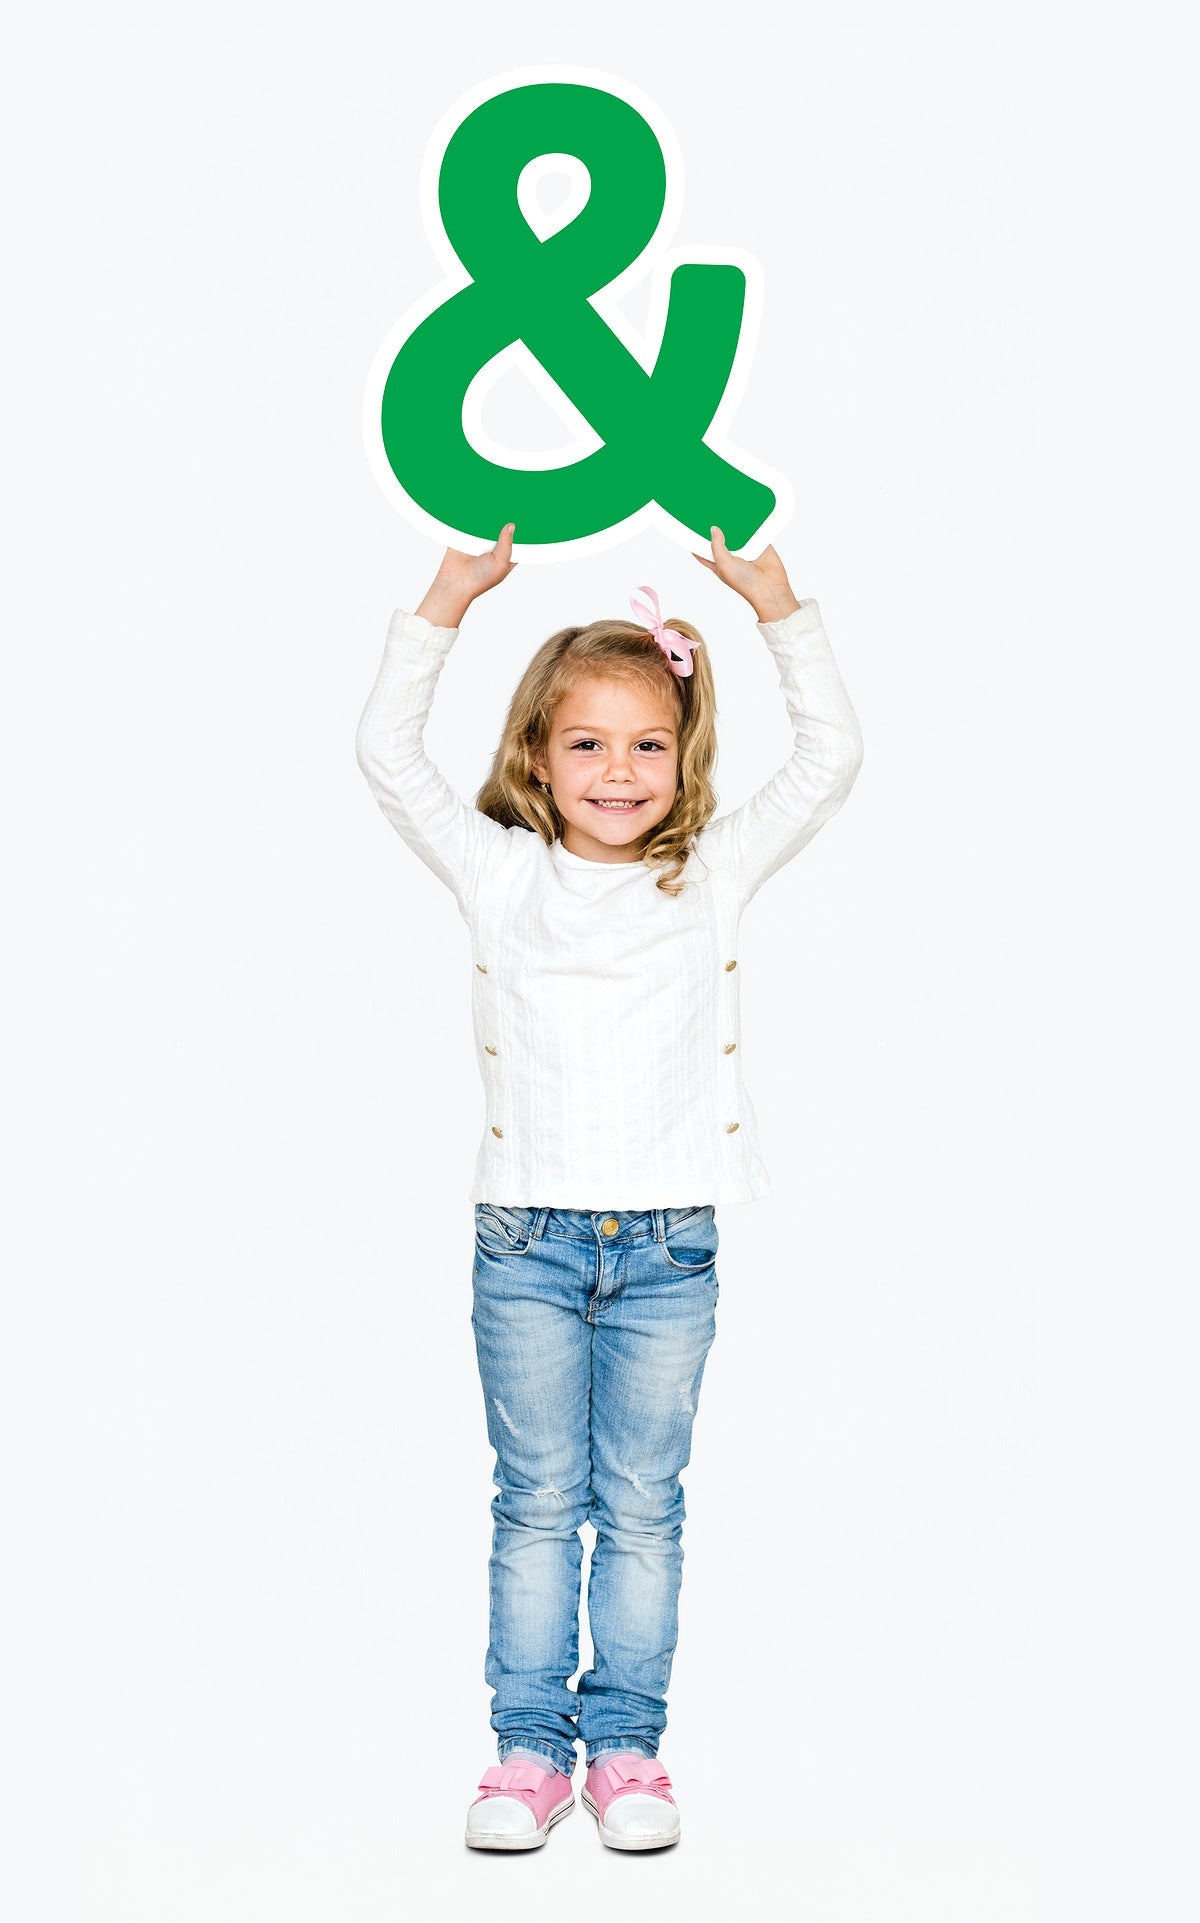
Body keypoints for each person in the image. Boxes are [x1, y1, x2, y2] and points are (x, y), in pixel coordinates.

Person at [355, 523, 864, 1851]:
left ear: (682, 754)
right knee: (535, 1502)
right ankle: (527, 1752)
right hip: (525, 1239)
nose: (619, 770)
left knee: (642, 1504)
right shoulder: (500, 871)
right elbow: (389, 764)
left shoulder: (709, 875)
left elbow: (830, 762)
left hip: (669, 1248)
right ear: (538, 756)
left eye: (647, 743)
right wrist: (445, 603)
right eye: (587, 743)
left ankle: (627, 1750)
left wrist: (777, 609)